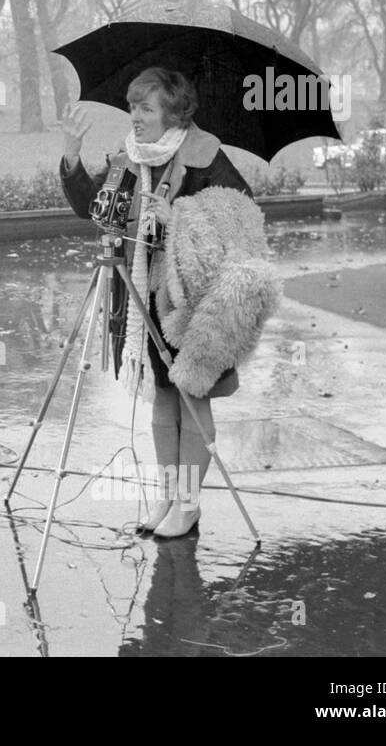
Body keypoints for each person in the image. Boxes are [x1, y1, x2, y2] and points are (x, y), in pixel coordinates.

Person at [59, 67, 251, 539]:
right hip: (146, 298)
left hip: (195, 304)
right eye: (132, 107)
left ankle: (187, 506)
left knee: (192, 396)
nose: (136, 116)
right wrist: (71, 153)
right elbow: (92, 206)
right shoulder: (129, 157)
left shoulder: (207, 156)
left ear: (173, 111)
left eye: (146, 108)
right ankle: (168, 497)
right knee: (164, 397)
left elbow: (240, 220)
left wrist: (183, 218)